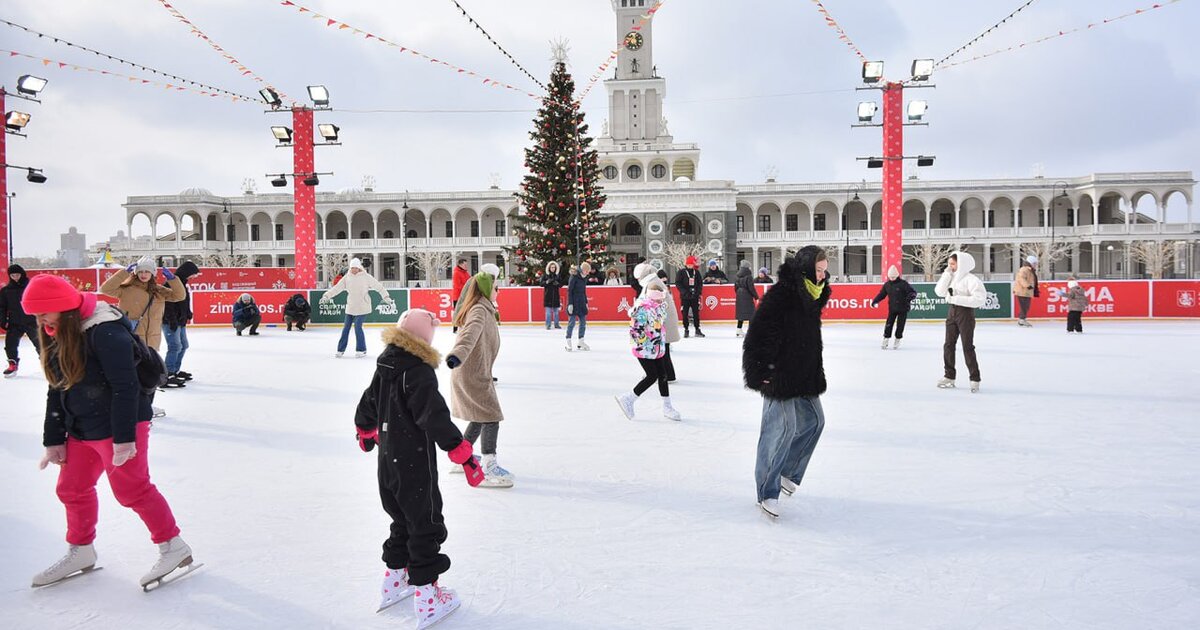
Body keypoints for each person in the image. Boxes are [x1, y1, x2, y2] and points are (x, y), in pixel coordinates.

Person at [22, 274, 193, 589]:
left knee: (132, 490)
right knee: (71, 488)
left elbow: (125, 387)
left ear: (63, 306)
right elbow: (56, 387)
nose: (38, 318)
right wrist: (54, 440)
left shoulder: (105, 331)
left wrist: (125, 438)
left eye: (43, 310)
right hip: (82, 427)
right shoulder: (59, 331)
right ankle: (81, 550)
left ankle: (173, 546)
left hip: (119, 423)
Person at [354, 308, 483, 623]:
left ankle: (394, 581)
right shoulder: (418, 370)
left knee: (400, 520)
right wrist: (463, 453)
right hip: (413, 462)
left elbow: (367, 402)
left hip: (388, 463)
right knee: (425, 523)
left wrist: (365, 430)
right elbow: (434, 417)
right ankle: (427, 595)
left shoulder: (386, 364)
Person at [742, 246, 831, 519]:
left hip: (804, 373)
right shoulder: (782, 294)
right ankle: (767, 491)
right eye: (818, 270)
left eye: (825, 270)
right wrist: (761, 371)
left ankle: (788, 472)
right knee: (783, 429)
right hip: (777, 373)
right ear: (805, 269)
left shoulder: (814, 294)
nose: (823, 275)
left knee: (815, 421)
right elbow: (757, 334)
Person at [446, 272, 513, 488]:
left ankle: (462, 457)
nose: (498, 291)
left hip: (473, 371)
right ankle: (489, 465)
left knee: (479, 416)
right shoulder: (479, 311)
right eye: (495, 287)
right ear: (485, 290)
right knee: (491, 415)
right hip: (470, 372)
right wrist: (457, 355)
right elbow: (468, 336)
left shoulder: (484, 308)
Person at [614, 281, 682, 421]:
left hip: (657, 348)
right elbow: (635, 330)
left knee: (662, 375)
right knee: (652, 376)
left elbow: (658, 326)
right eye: (660, 297)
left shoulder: (658, 308)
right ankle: (628, 399)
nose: (663, 299)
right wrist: (645, 343)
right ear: (653, 296)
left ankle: (667, 407)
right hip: (644, 349)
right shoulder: (642, 308)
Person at [99, 256, 185, 353]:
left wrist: (172, 279)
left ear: (152, 273)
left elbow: (179, 296)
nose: (143, 274)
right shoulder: (126, 290)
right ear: (136, 273)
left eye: (147, 271)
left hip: (152, 343)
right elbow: (105, 289)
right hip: (132, 341)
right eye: (140, 271)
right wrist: (124, 273)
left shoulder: (159, 291)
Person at [934, 251, 986, 393]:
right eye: (949, 264)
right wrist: (946, 275)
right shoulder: (950, 276)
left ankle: (975, 378)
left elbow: (980, 298)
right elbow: (939, 292)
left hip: (965, 314)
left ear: (961, 264)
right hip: (952, 312)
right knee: (948, 345)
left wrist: (956, 298)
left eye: (953, 264)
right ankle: (949, 376)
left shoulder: (971, 279)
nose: (950, 266)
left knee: (967, 346)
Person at [321, 257, 394, 358]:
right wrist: (326, 296)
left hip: (363, 307)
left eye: (355, 267)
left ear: (359, 267)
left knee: (358, 327)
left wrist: (387, 298)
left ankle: (361, 349)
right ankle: (340, 350)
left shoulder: (366, 277)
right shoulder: (347, 277)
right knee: (346, 328)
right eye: (352, 268)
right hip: (350, 307)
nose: (354, 270)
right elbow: (336, 288)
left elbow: (379, 287)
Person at [160, 261, 199, 388]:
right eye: (193, 274)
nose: (194, 277)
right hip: (171, 322)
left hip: (180, 321)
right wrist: (171, 320)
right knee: (175, 346)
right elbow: (167, 304)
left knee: (183, 345)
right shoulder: (169, 284)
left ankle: (174, 371)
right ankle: (167, 375)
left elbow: (183, 302)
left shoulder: (182, 284)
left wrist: (187, 312)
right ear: (187, 273)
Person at [0, 263, 40, 377]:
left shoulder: (31, 287)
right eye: (13, 275)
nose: (15, 277)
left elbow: (39, 302)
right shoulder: (6, 291)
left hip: (31, 321)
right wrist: (2, 320)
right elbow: (2, 307)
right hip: (14, 323)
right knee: (10, 345)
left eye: (17, 275)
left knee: (41, 344)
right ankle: (12, 364)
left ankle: (49, 364)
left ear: (22, 274)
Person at [871, 265, 917, 350]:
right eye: (890, 277)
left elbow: (912, 292)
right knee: (889, 324)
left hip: (903, 308)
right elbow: (882, 294)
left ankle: (897, 339)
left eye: (893, 277)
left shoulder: (903, 284)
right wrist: (875, 301)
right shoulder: (887, 285)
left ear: (897, 276)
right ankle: (886, 339)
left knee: (900, 325)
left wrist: (910, 297)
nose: (892, 278)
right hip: (892, 308)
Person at [675, 256, 705, 338]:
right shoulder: (681, 272)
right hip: (685, 297)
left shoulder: (696, 272)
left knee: (696, 313)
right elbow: (678, 283)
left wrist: (697, 293)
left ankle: (697, 329)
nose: (690, 266)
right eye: (688, 264)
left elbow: (700, 283)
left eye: (691, 264)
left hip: (694, 296)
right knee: (685, 314)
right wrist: (684, 292)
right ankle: (686, 329)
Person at [564, 261, 591, 352]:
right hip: (574, 302)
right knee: (571, 323)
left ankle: (581, 341)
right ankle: (568, 341)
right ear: (582, 270)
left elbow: (584, 291)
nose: (588, 273)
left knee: (583, 323)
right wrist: (570, 304)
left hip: (582, 303)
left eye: (588, 272)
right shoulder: (574, 277)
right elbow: (569, 291)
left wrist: (586, 302)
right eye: (587, 271)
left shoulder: (584, 278)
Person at [734, 260, 759, 337]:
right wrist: (756, 297)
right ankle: (750, 332)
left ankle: (738, 330)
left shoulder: (737, 275)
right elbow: (751, 288)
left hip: (739, 295)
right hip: (747, 295)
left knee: (741, 314)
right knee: (751, 314)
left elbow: (735, 287)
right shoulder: (749, 276)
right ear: (747, 267)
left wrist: (739, 293)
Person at [1014, 255, 1040, 327]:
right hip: (1022, 291)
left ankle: (1022, 319)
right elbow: (1021, 279)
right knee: (1024, 306)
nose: (1036, 265)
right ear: (1030, 263)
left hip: (1026, 292)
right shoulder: (1024, 269)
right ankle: (1022, 320)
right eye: (1034, 263)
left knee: (1026, 306)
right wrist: (1028, 285)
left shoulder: (1030, 270)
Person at [540, 261, 563, 330]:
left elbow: (561, 284)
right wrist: (547, 282)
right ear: (549, 268)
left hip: (556, 296)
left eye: (554, 267)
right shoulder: (545, 275)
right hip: (548, 296)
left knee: (556, 312)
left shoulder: (557, 275)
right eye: (552, 267)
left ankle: (556, 324)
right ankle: (548, 325)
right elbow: (541, 284)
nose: (553, 268)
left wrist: (557, 283)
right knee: (548, 313)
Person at [451, 259, 470, 333]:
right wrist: (467, 288)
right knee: (458, 312)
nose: (466, 266)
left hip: (465, 296)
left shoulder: (465, 273)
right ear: (460, 264)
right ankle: (455, 329)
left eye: (466, 264)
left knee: (465, 312)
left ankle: (463, 326)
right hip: (458, 296)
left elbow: (469, 281)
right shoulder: (456, 273)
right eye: (465, 265)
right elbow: (457, 285)